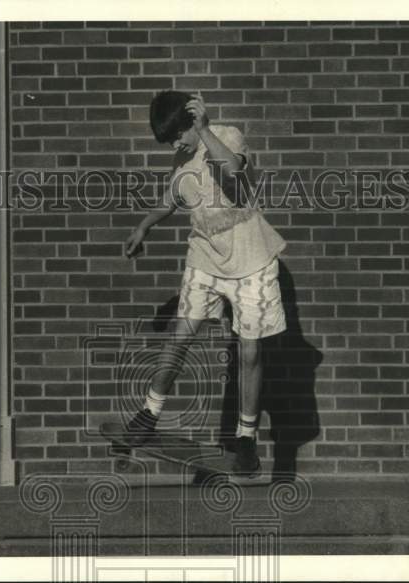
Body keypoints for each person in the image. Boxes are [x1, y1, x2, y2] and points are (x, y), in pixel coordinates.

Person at [121, 90, 287, 479]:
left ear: (190, 122)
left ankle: (245, 441)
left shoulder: (227, 135)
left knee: (249, 353)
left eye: (177, 136)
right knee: (180, 337)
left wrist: (204, 129)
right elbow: (170, 201)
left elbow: (232, 171)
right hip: (205, 259)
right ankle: (149, 413)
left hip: (251, 258)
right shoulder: (181, 159)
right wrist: (143, 226)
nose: (175, 145)